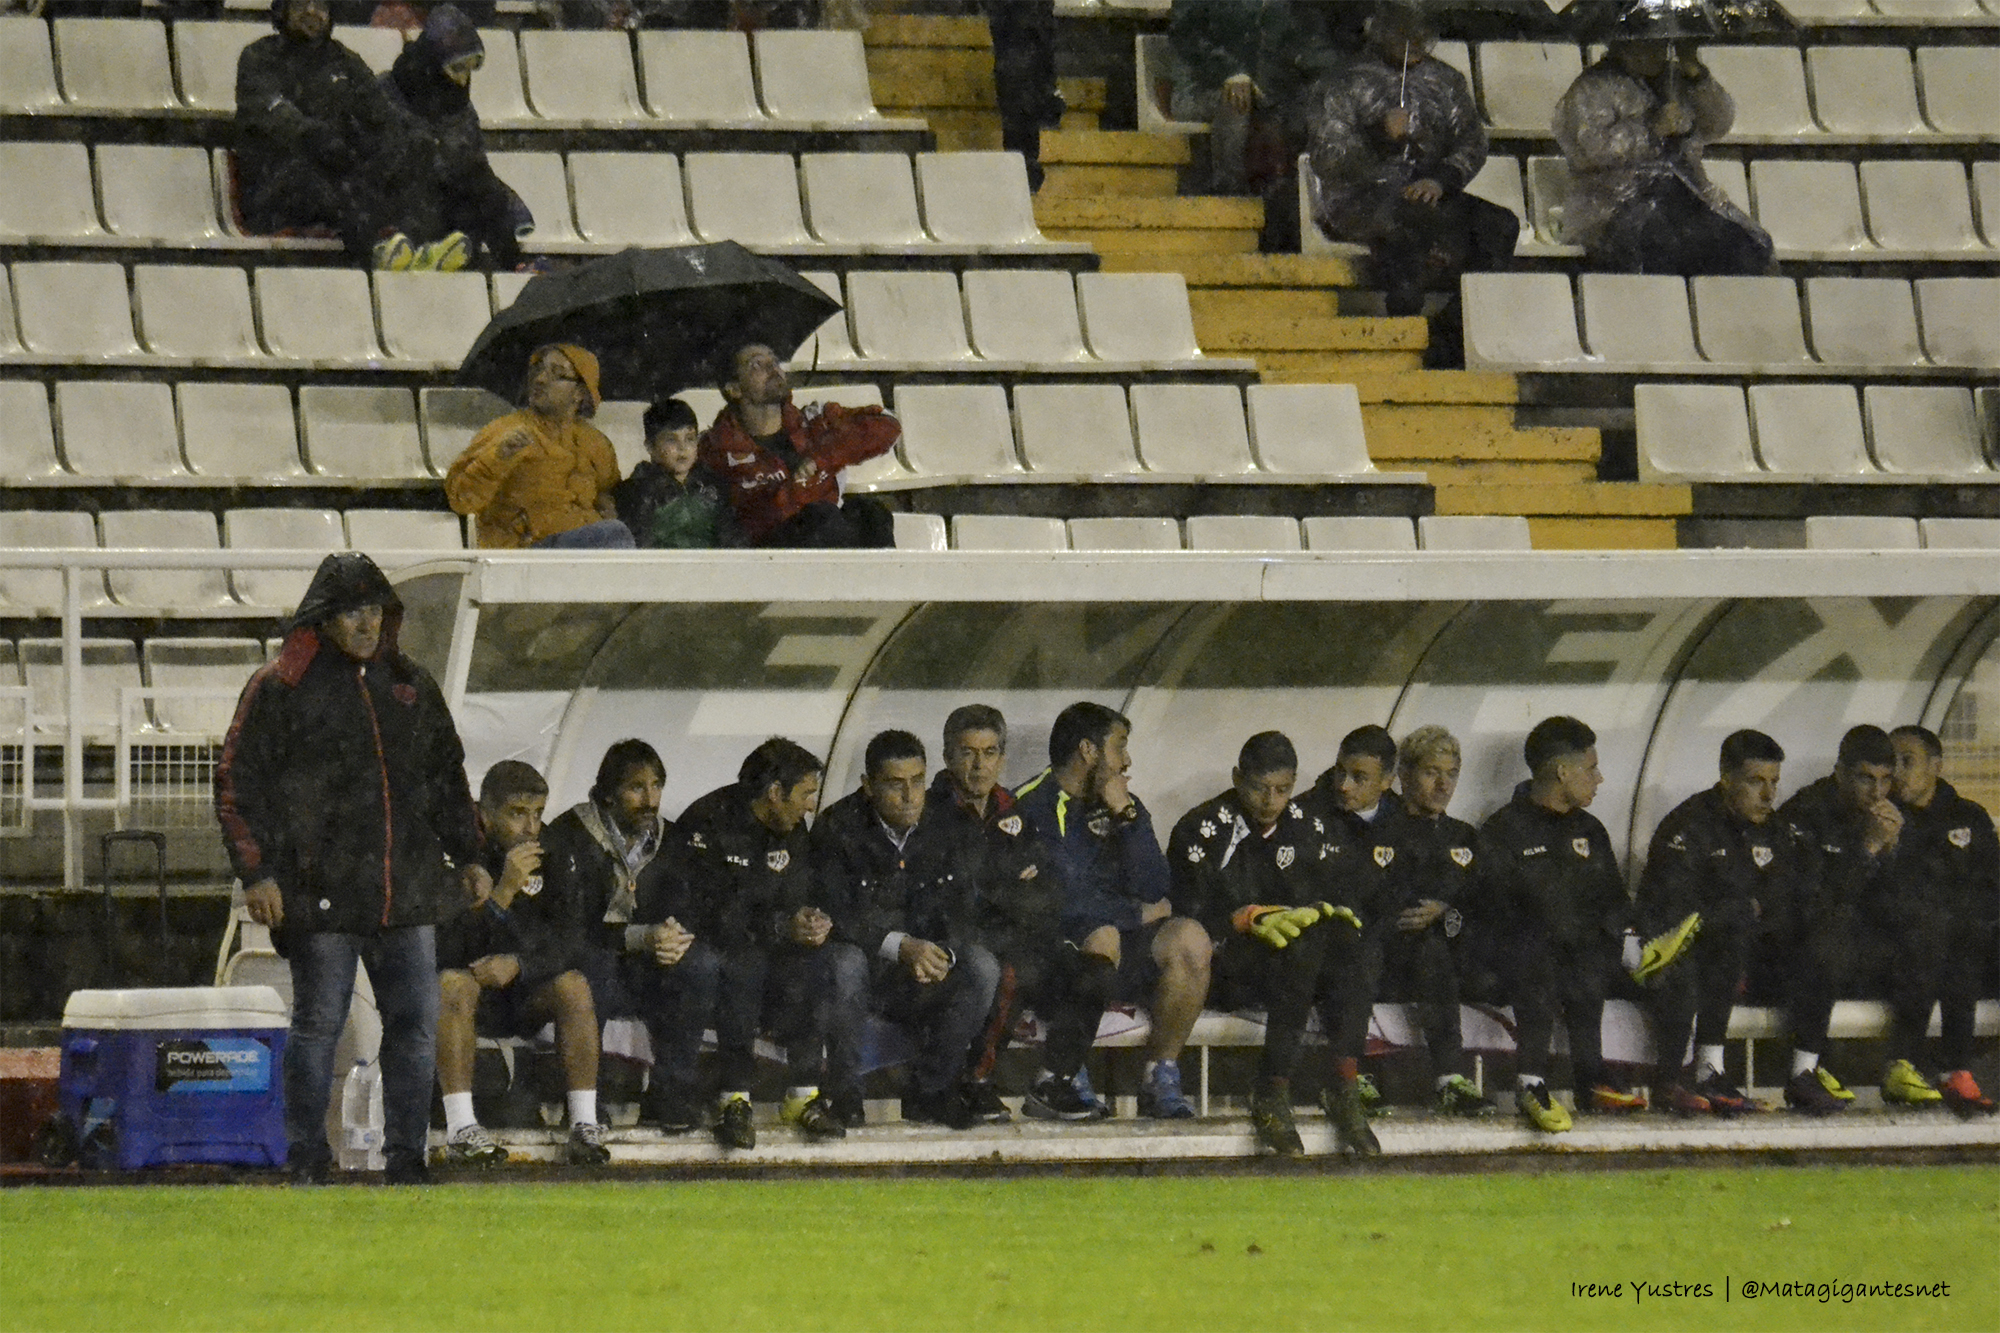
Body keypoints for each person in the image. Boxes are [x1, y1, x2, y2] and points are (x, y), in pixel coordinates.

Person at [215, 553, 479, 1185]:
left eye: (374, 610)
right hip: (321, 892)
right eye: (353, 611)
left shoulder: (411, 685)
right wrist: (257, 875)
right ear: (324, 618)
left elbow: (447, 777)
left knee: (413, 1029)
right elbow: (235, 784)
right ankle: (306, 1159)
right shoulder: (279, 688)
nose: (366, 623)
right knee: (319, 1026)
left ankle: (406, 1161)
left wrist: (470, 853)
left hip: (407, 892)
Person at [1167, 731, 1371, 1157]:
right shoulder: (1202, 827)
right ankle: (1272, 1090)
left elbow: (1327, 896)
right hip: (1223, 967)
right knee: (1301, 950)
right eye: (1260, 788)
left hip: (1293, 968)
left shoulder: (1308, 827)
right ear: (1238, 778)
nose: (1270, 800)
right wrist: (1248, 917)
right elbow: (1188, 912)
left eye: (1282, 789)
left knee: (1349, 944)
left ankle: (1345, 1086)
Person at [1014, 702, 1213, 1120]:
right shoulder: (1030, 807)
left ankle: (1161, 1075)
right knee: (1100, 933)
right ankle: (1068, 1073)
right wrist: (1132, 914)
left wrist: (1127, 816)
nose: (1127, 760)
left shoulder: (1123, 803)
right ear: (1088, 750)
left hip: (1119, 941)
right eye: (1119, 747)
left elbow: (1156, 887)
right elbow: (1060, 900)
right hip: (1062, 954)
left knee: (1190, 938)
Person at [933, 705, 1114, 1123]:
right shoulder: (930, 813)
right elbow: (957, 899)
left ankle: (1053, 1083)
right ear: (947, 757)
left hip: (1023, 937)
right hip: (964, 947)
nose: (979, 765)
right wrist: (1010, 888)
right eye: (968, 753)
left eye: (990, 752)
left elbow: (1049, 890)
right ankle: (976, 1082)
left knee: (1096, 970)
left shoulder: (1012, 811)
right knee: (1015, 968)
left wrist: (1007, 892)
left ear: (1003, 757)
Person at [1306, 3, 1516, 363]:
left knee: (1499, 226)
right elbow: (1328, 156)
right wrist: (1378, 136)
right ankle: (1402, 331)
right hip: (1362, 198)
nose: (1415, 41)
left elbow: (1471, 141)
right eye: (1405, 33)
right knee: (1408, 226)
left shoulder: (1448, 82)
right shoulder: (1343, 82)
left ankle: (1451, 330)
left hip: (1429, 197)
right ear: (1384, 31)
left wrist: (1442, 179)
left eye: (1422, 33)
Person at [813, 731, 1002, 1129]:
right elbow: (834, 912)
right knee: (844, 962)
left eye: (917, 781)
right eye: (895, 784)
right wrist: (899, 946)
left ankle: (932, 1092)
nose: (910, 795)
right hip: (863, 967)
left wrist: (943, 953)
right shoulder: (837, 826)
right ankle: (845, 1094)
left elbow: (968, 910)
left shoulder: (950, 824)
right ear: (868, 786)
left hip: (923, 970)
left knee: (982, 965)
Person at [434, 761, 611, 1167]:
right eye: (517, 813)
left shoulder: (557, 852)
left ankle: (583, 1125)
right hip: (471, 994)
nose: (531, 827)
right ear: (485, 813)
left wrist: (519, 964)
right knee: (451, 984)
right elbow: (447, 946)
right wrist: (503, 893)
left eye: (537, 813)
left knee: (574, 985)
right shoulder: (461, 857)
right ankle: (462, 1128)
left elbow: (572, 940)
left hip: (525, 991)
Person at [674, 738, 848, 1147]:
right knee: (742, 963)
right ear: (774, 793)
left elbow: (797, 893)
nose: (810, 806)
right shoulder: (707, 822)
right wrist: (778, 927)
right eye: (805, 794)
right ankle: (733, 1099)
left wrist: (809, 920)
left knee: (819, 958)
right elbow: (703, 913)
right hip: (707, 949)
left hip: (769, 945)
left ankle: (804, 1096)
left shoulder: (792, 829)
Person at [1476, 716, 1645, 1133]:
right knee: (1538, 951)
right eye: (1590, 768)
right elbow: (1495, 911)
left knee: (1655, 966)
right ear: (1562, 771)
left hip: (1585, 961)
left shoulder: (1591, 830)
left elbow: (1616, 903)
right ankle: (1533, 1083)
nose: (1599, 778)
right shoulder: (1503, 830)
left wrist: (1632, 944)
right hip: (1518, 960)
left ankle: (1605, 1079)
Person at [1633, 730, 1795, 1118]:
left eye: (1774, 782)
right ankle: (1682, 1077)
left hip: (1751, 951)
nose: (1769, 795)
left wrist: (1749, 909)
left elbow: (1788, 896)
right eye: (1756, 782)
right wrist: (1741, 909)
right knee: (1712, 950)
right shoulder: (1689, 825)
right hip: (1674, 949)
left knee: (1815, 954)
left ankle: (1804, 1076)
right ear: (1726, 778)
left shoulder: (1775, 829)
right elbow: (1677, 912)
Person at [235, 0, 441, 269]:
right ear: (282, 11)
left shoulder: (345, 60)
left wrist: (409, 141)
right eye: (300, 5)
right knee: (329, 180)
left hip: (338, 170)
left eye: (319, 5)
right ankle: (376, 256)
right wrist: (314, 136)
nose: (311, 12)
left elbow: (383, 115)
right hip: (275, 183)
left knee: (412, 154)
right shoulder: (259, 57)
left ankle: (422, 246)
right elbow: (272, 113)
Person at [1551, 38, 1773, 276]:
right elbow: (1595, 148)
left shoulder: (1676, 81)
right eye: (1647, 44)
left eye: (1661, 44)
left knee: (1750, 245)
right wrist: (1651, 129)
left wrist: (1696, 74)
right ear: (1624, 45)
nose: (1657, 51)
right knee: (1670, 244)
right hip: (1615, 209)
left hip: (1685, 197)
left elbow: (1718, 123)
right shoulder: (1591, 89)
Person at [1774, 726, 1905, 1116]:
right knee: (1827, 938)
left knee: (1929, 936)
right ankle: (1805, 1072)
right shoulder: (1806, 812)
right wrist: (1867, 849)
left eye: (1885, 780)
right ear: (1840, 773)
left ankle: (1910, 1067)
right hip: (1796, 949)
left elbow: (1897, 904)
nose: (1877, 792)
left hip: (1860, 950)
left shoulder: (1892, 819)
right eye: (1866, 778)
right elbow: (1816, 905)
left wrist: (1892, 853)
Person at [1367, 725, 1496, 1117]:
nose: (1443, 785)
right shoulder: (1377, 835)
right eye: (1431, 772)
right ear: (1404, 775)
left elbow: (1491, 906)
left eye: (1452, 773)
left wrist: (1449, 912)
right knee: (1428, 945)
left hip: (1466, 958)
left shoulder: (1466, 838)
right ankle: (1449, 1079)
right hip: (1395, 961)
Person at [1291, 724, 1399, 1128]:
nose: (1344, 785)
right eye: (1340, 772)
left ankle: (1449, 1080)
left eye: (1359, 777)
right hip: (1329, 940)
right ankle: (1347, 1080)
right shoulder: (1304, 813)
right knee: (1354, 951)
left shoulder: (1402, 820)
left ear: (1387, 782)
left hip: (1388, 940)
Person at [1884, 725, 1997, 1115]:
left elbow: (1992, 884)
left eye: (1907, 761)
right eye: (1891, 761)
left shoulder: (1970, 816)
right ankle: (1947, 1070)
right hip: (1903, 945)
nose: (1897, 771)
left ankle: (1950, 1071)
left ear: (1937, 766)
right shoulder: (1883, 818)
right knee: (1941, 937)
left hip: (1968, 940)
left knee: (1963, 939)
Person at [378, 5, 533, 273]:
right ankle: (407, 248)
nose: (463, 77)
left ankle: (510, 263)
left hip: (443, 209)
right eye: (457, 67)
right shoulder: (387, 91)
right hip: (396, 199)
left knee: (483, 185)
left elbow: (473, 166)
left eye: (470, 68)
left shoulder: (460, 107)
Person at [697, 343, 900, 548]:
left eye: (774, 361)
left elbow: (887, 427)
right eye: (757, 364)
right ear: (734, 389)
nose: (773, 368)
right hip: (767, 554)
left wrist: (820, 458)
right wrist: (791, 492)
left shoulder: (813, 422)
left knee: (870, 514)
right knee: (821, 517)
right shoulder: (716, 448)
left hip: (825, 536)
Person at [445, 344, 635, 550]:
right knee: (614, 534)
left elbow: (608, 494)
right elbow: (461, 500)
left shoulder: (597, 442)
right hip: (525, 555)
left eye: (557, 374)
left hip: (581, 556)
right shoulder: (505, 431)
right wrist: (498, 456)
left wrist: (608, 507)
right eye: (538, 370)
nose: (540, 379)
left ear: (581, 392)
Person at [1169, 0, 1340, 200]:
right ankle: (1230, 195)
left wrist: (1337, 72)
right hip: (1199, 89)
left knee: (1314, 103)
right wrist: (1231, 73)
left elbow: (1308, 44)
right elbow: (1186, 35)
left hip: (1268, 91)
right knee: (1238, 101)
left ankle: (1288, 199)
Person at [612, 398, 744, 550]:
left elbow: (733, 539)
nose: (682, 448)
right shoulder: (635, 491)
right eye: (671, 440)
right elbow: (639, 544)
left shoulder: (715, 486)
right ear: (650, 446)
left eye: (689, 439)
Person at [985, 2, 1063, 193]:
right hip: (1019, 49)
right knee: (1019, 102)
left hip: (1026, 49)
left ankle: (1024, 172)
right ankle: (1022, 173)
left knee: (1022, 104)